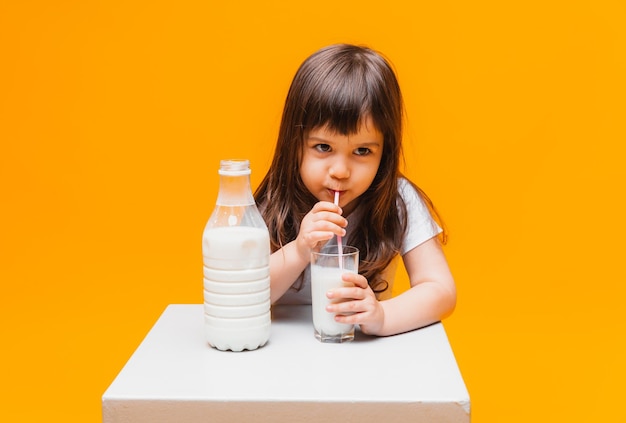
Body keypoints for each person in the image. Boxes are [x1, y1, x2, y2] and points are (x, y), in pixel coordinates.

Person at [254, 44, 456, 336]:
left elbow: (441, 290)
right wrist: (299, 249)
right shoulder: (278, 198)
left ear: (384, 152)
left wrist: (383, 316)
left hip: (364, 359)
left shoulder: (397, 200)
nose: (340, 171)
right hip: (282, 360)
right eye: (323, 147)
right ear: (294, 143)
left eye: (362, 151)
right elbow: (244, 296)